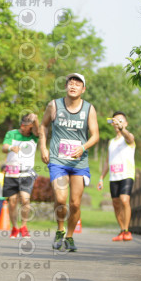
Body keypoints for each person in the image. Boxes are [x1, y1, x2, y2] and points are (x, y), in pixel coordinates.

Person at [39, 73, 99, 252]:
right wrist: (43, 147)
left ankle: (70, 236)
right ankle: (60, 229)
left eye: (77, 84)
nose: (73, 86)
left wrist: (83, 147)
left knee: (75, 203)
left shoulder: (89, 109)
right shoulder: (54, 105)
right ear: (66, 87)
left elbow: (95, 135)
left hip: (79, 162)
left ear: (83, 89)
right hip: (58, 159)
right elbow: (43, 125)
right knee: (60, 198)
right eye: (70, 83)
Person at [98, 112, 136, 241]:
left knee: (124, 200)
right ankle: (122, 230)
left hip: (126, 175)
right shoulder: (111, 142)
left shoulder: (128, 138)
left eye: (120, 120)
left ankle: (126, 230)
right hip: (113, 176)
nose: (117, 123)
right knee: (115, 203)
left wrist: (122, 129)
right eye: (115, 121)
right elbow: (108, 161)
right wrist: (101, 177)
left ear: (125, 123)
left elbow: (130, 138)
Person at [2, 113, 39, 238]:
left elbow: (39, 131)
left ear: (31, 126)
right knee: (12, 202)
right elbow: (4, 147)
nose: (23, 127)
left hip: (26, 173)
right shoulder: (12, 133)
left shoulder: (34, 136)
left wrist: (36, 119)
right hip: (11, 172)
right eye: (22, 124)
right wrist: (11, 148)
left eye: (27, 125)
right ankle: (14, 227)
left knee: (25, 199)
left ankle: (24, 226)